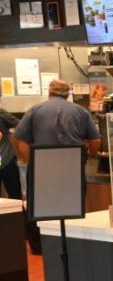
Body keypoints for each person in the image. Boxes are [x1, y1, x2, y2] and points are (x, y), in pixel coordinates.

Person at [14, 79, 100, 253]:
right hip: (72, 166)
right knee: (72, 204)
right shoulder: (81, 112)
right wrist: (90, 154)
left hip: (43, 168)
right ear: (68, 94)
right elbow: (95, 140)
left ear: (49, 92)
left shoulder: (35, 110)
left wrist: (31, 160)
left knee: (39, 205)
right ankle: (71, 242)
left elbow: (19, 138)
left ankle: (39, 246)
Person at [0, 92, 21, 200]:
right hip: (5, 159)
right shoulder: (1, 112)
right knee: (15, 195)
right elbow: (21, 125)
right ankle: (17, 216)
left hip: (4, 158)